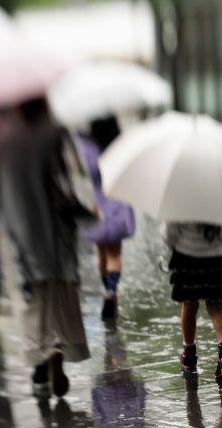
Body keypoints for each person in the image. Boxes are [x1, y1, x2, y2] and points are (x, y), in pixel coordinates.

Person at [0, 97, 98, 399]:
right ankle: (59, 348)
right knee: (61, 295)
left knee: (31, 300)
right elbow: (73, 182)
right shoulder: (56, 134)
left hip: (20, 235)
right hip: (57, 232)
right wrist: (86, 211)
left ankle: (41, 356)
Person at [77, 116, 136, 320]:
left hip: (96, 205)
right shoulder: (120, 148)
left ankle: (107, 291)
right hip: (117, 204)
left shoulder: (86, 148)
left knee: (101, 254)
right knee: (115, 255)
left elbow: (82, 176)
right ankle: (112, 291)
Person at [166, 222, 222, 380]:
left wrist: (171, 243)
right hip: (217, 256)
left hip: (187, 256)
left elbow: (170, 232)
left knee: (189, 303)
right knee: (215, 306)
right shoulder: (218, 201)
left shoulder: (182, 201)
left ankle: (189, 354)